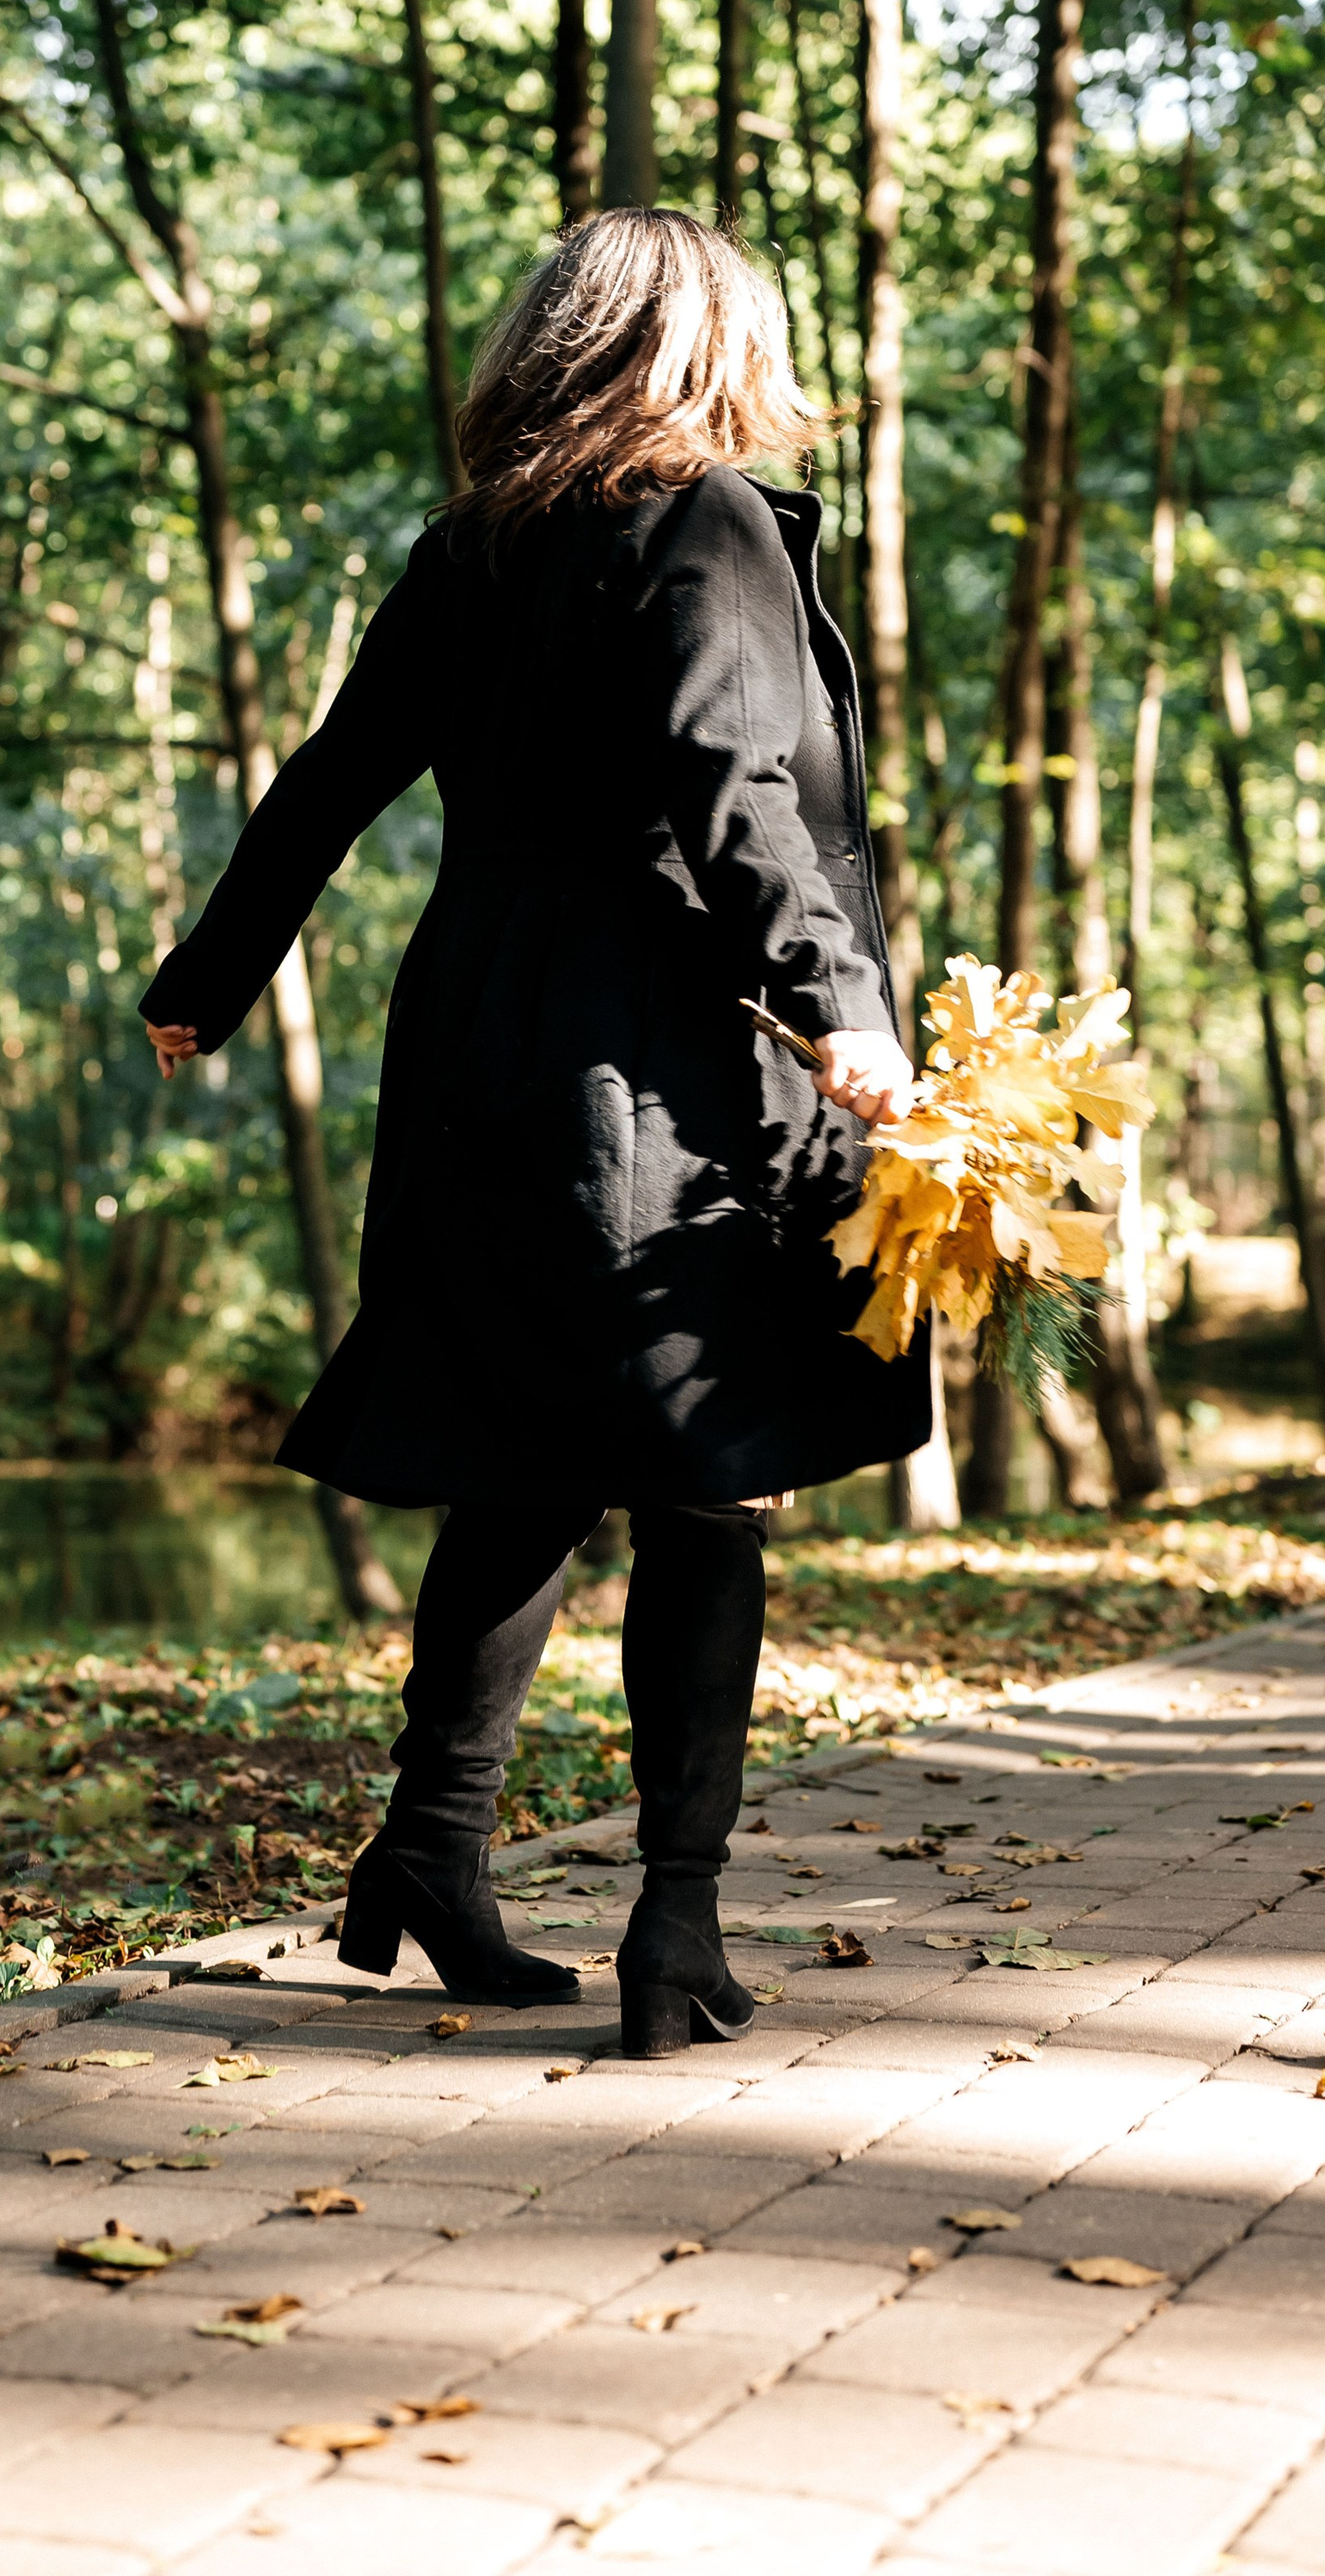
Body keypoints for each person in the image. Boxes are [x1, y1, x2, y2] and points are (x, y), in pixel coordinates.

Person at [140, 208, 929, 2056]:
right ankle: (676, 1917)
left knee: (526, 1454)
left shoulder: (477, 544)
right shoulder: (704, 521)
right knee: (696, 1478)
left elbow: (331, 775)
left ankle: (429, 1849)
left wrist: (212, 971)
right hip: (659, 1056)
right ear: (703, 345)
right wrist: (841, 1007)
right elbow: (728, 787)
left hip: (479, 1048)